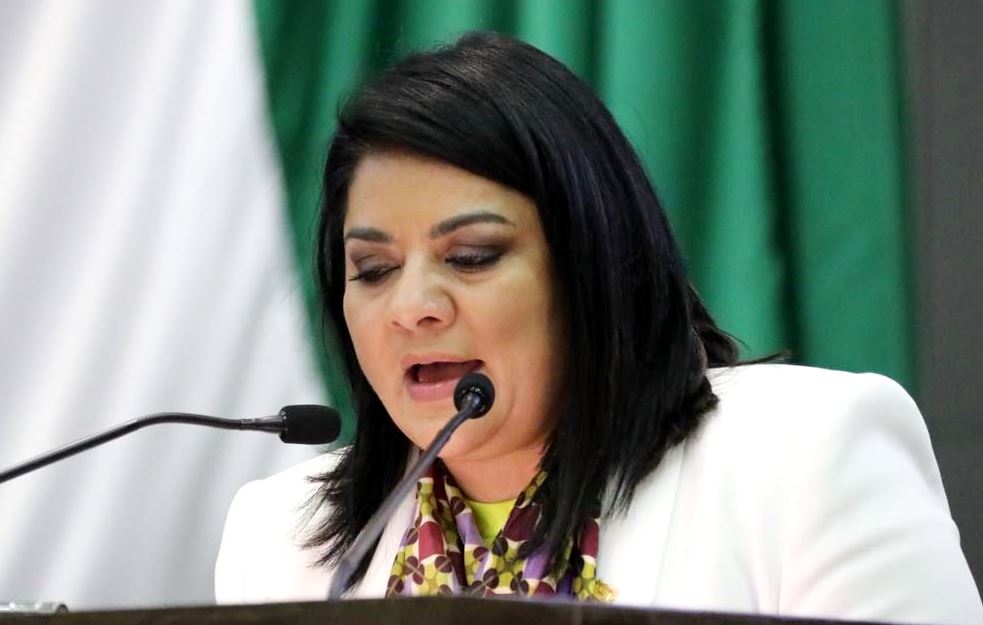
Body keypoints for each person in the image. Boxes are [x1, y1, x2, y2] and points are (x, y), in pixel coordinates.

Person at [214, 31, 982, 623]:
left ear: (593, 266)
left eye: (471, 256)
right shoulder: (278, 539)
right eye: (374, 268)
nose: (412, 305)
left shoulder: (804, 456)